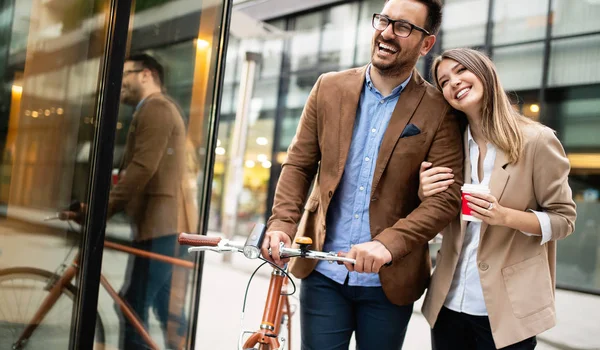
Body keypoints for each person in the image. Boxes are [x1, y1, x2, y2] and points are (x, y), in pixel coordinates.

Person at [261, 0, 464, 349]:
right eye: (383, 21)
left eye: (402, 27)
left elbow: (446, 197)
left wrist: (388, 244)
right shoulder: (328, 87)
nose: (386, 33)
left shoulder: (439, 109)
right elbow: (299, 164)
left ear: (426, 43)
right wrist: (282, 224)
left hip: (391, 279)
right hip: (323, 269)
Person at [420, 48, 577, 349]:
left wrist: (504, 216)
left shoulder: (537, 141)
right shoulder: (450, 144)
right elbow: (438, 218)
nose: (453, 82)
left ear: (484, 72)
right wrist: (423, 191)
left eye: (461, 71)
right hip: (448, 302)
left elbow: (564, 219)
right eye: (443, 81)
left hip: (506, 310)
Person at [109, 53, 194, 349]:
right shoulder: (158, 108)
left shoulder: (156, 108)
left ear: (146, 74)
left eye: (126, 75)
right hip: (163, 227)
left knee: (131, 305)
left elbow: (142, 168)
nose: (120, 83)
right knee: (165, 309)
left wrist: (103, 210)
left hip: (160, 228)